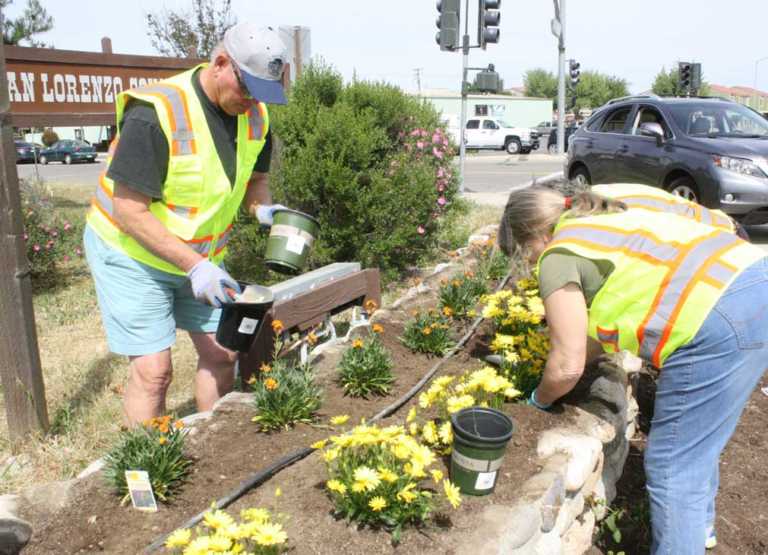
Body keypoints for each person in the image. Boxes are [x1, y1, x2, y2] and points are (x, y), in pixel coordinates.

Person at [499, 186, 768, 554]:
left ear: (533, 235)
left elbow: (566, 366)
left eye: (525, 255)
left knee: (674, 468)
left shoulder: (558, 255)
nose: (531, 265)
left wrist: (538, 398)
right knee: (698, 443)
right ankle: (699, 529)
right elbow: (590, 341)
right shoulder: (602, 220)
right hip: (753, 282)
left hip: (716, 321)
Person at [84, 23, 289, 424]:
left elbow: (256, 182)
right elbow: (129, 211)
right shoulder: (156, 113)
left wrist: (261, 210)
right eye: (246, 88)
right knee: (154, 372)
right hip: (132, 253)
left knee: (223, 352)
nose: (250, 102)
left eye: (261, 94)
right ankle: (145, 472)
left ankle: (212, 446)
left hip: (201, 259)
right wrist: (194, 267)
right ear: (220, 64)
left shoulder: (256, 117)